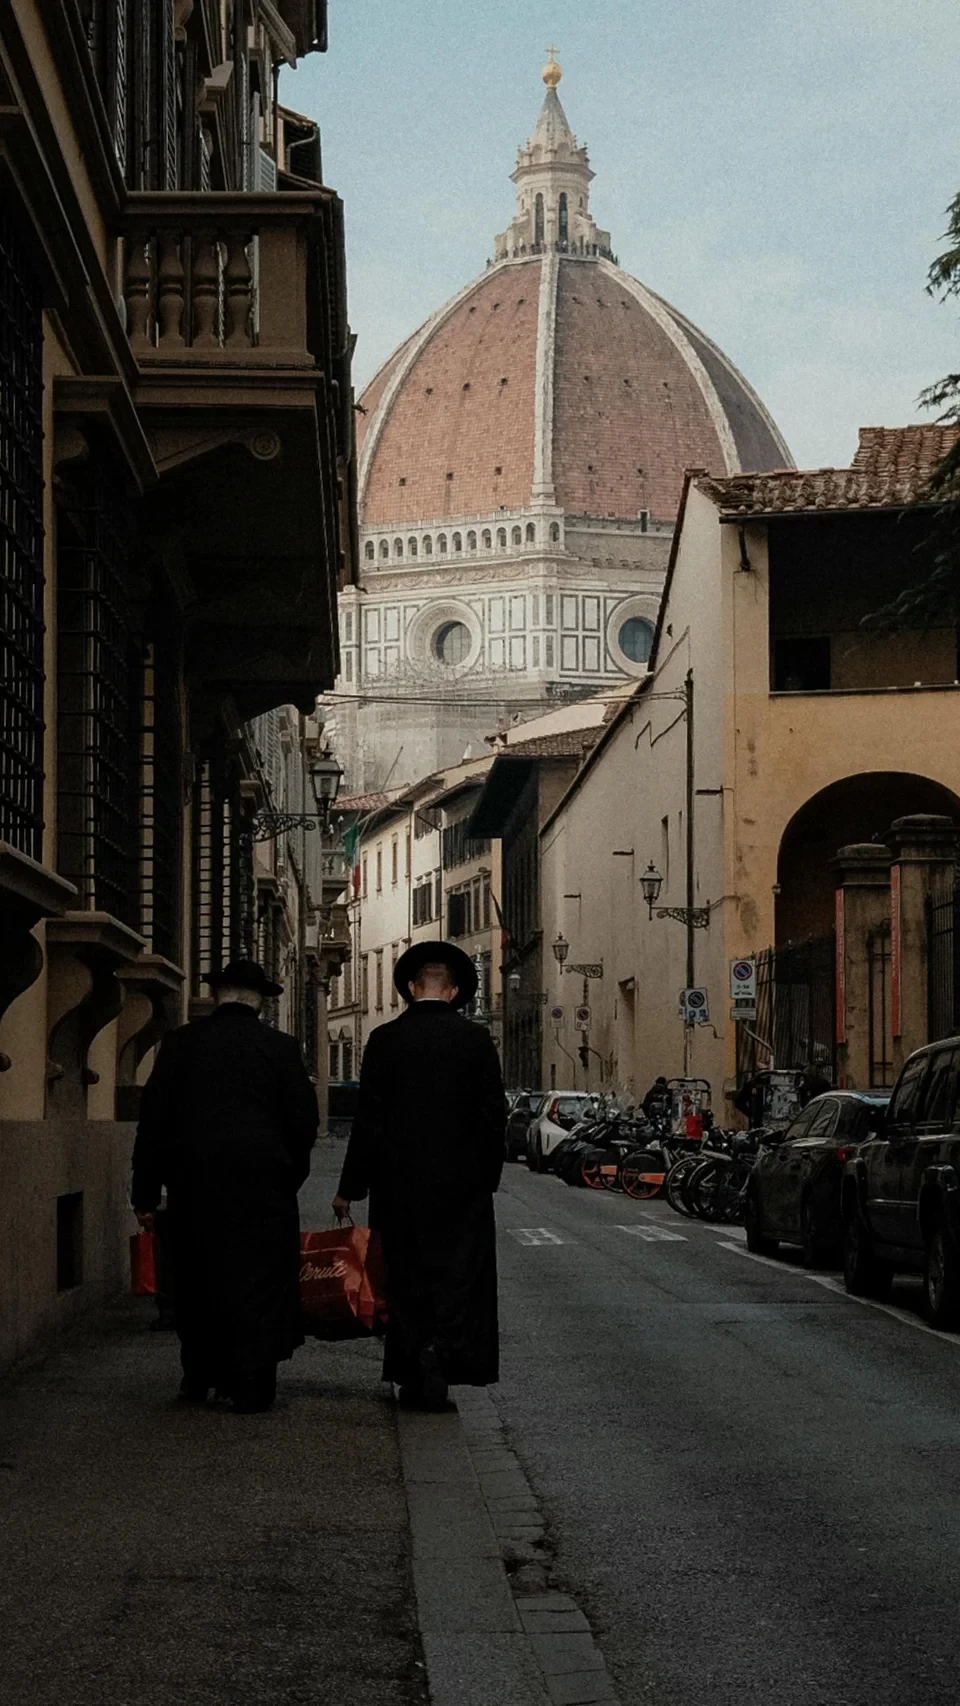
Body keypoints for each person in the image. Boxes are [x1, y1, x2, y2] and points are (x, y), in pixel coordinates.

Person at [131, 959, 318, 1413]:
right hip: (264, 1188)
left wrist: (146, 1194)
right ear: (260, 1002)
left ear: (217, 997)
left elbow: (153, 1123)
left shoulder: (180, 1044)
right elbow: (304, 1123)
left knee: (198, 1280)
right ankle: (253, 1381)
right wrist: (288, 1175)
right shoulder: (281, 1048)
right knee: (260, 1282)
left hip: (195, 1186)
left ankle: (199, 1374)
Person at [333, 940, 506, 1411]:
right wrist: (485, 1178)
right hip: (461, 1189)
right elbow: (493, 1116)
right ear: (452, 992)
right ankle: (442, 1354)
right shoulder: (475, 1041)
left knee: (405, 1277)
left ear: (411, 988)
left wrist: (350, 1187)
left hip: (399, 1186)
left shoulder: (385, 1040)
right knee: (457, 1277)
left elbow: (369, 1120)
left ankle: (412, 1365)